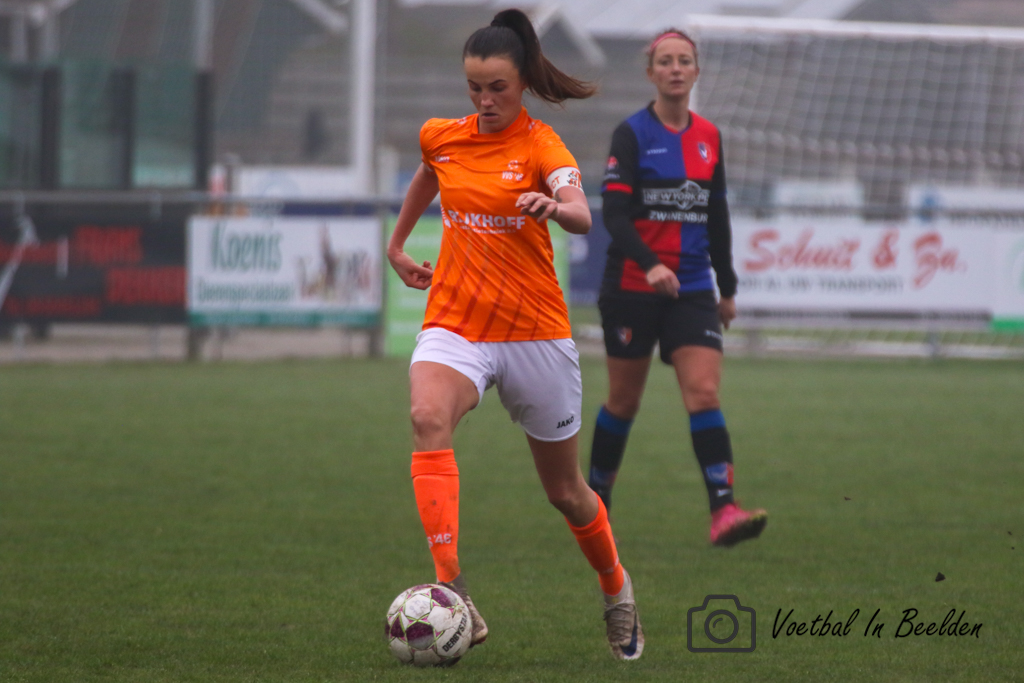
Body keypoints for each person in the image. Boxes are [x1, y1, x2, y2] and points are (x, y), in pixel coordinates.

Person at [387, 9, 644, 661]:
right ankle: (453, 590)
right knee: (426, 417)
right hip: (457, 322)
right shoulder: (442, 136)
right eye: (474, 87)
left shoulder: (541, 146)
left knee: (566, 493)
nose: (484, 99)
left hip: (535, 334)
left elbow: (581, 213)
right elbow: (429, 171)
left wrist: (554, 206)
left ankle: (616, 589)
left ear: (523, 81)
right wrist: (397, 244)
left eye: (497, 87)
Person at [587, 29, 768, 547]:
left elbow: (716, 217)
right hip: (632, 287)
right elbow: (615, 215)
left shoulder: (709, 136)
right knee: (623, 401)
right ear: (651, 73)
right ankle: (595, 507)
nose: (675, 69)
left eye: (683, 60)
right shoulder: (632, 134)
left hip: (691, 290)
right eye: (665, 61)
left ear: (696, 71)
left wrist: (726, 289)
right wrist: (649, 265)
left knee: (704, 392)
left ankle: (724, 511)